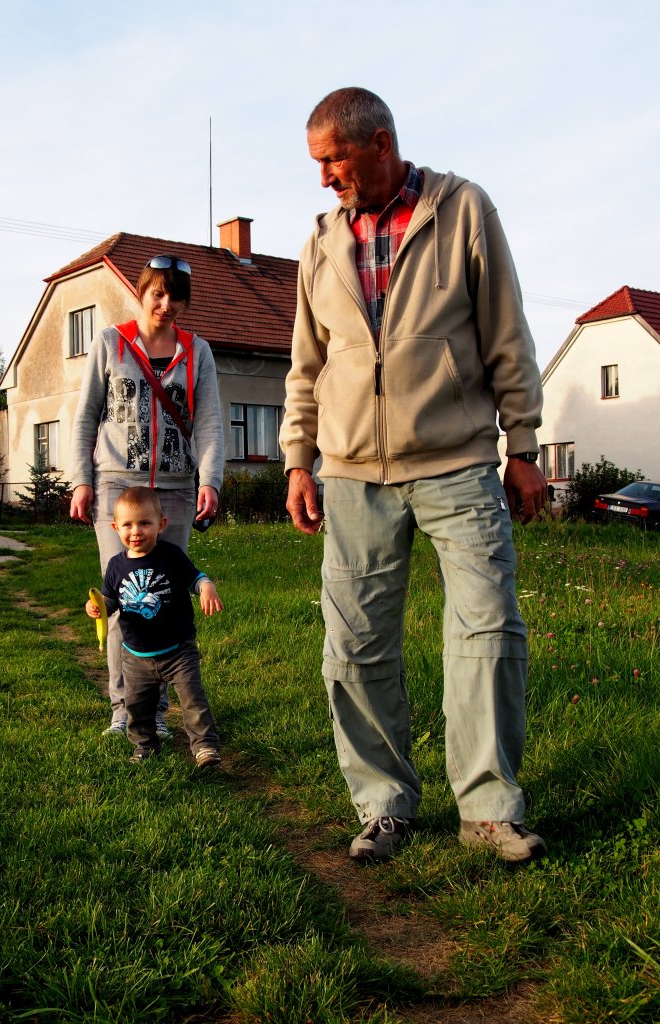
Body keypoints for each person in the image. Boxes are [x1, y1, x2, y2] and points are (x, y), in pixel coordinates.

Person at [279, 87, 549, 865]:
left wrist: (523, 445)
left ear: (380, 143)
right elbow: (306, 365)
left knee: (487, 627)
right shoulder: (321, 242)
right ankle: (384, 804)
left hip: (456, 460)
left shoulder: (462, 211)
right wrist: (298, 459)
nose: (324, 177)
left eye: (333, 159)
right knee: (356, 645)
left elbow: (506, 330)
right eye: (317, 163)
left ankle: (489, 811)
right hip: (351, 472)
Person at [70, 255, 224, 739]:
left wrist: (210, 480)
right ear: (141, 292)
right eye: (158, 293)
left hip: (175, 490)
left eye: (176, 296)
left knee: (164, 597)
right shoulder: (110, 343)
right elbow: (86, 416)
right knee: (124, 598)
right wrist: (81, 479)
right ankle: (125, 708)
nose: (166, 304)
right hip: (116, 486)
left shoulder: (197, 351)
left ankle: (155, 707)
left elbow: (210, 422)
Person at [85, 486, 224, 767]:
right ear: (115, 527)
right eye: (127, 525)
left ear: (161, 525)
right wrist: (97, 607)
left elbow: (195, 578)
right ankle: (145, 747)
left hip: (178, 650)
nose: (136, 531)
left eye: (144, 523)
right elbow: (110, 600)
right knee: (137, 707)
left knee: (193, 700)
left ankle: (205, 747)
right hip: (136, 655)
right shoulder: (116, 566)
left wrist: (207, 586)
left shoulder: (171, 555)